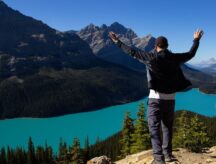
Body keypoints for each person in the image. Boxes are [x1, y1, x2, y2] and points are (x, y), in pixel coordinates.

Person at [109, 29, 203, 164]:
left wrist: (117, 42)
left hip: (155, 99)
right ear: (167, 46)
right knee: (167, 128)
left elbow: (132, 52)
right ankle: (168, 155)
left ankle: (159, 159)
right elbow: (191, 53)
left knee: (154, 128)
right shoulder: (175, 58)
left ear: (155, 46)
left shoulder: (150, 57)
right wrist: (196, 40)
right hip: (170, 99)